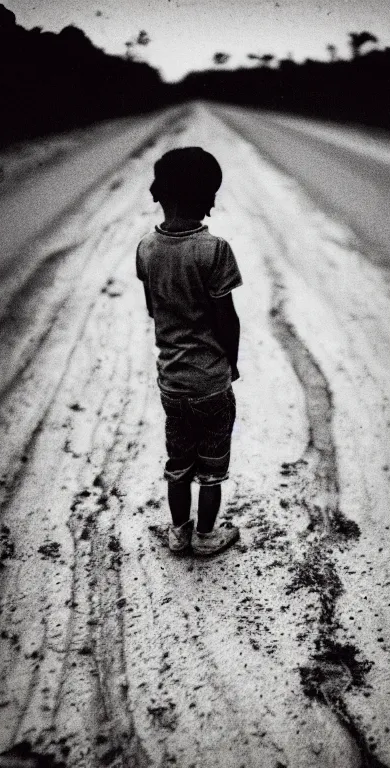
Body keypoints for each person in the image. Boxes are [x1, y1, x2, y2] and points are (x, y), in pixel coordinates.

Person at [136, 147, 243, 556]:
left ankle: (179, 532)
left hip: (172, 382)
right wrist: (230, 364)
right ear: (205, 198)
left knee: (178, 463)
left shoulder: (146, 248)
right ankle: (206, 535)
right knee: (212, 467)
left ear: (160, 193)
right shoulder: (214, 250)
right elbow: (227, 319)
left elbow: (153, 309)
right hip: (211, 383)